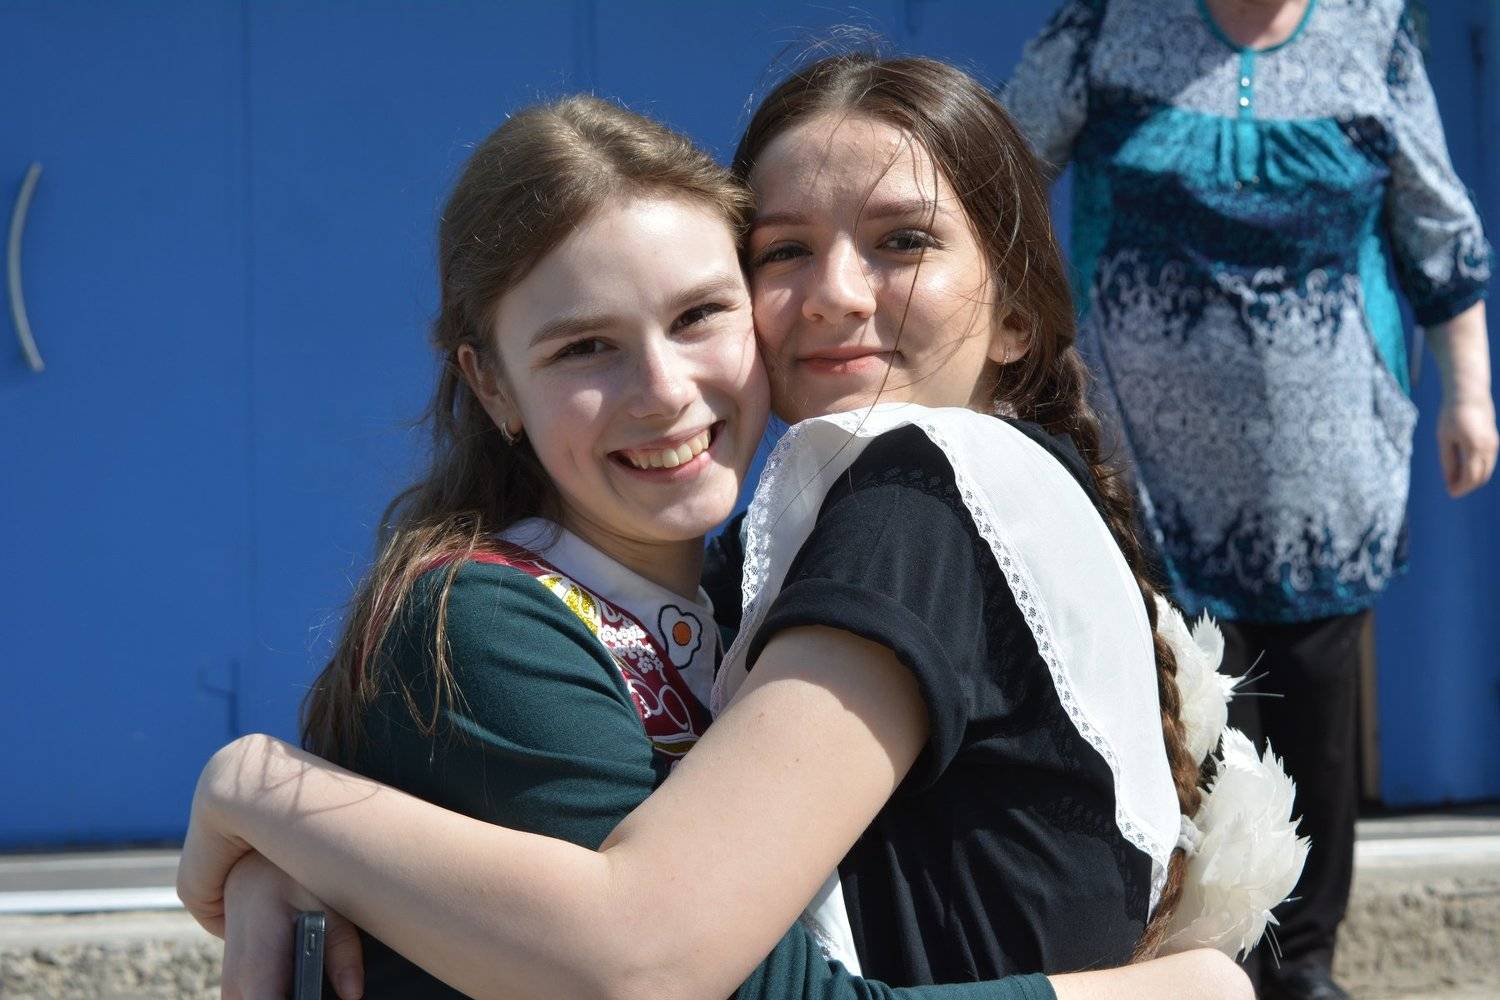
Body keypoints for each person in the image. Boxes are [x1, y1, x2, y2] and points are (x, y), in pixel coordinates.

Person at [179, 60, 1263, 1000]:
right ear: (492, 385)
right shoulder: (503, 615)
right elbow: (657, 964)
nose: (661, 389)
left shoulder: (895, 510)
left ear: (1018, 314)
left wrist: (278, 808)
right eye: (582, 348)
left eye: (698, 314)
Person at [1001, 2, 1496, 998]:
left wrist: (1471, 393)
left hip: (1324, 459)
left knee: (1313, 713)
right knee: (1184, 716)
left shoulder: (1373, 29)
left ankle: (1304, 962)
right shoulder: (1109, 22)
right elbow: (995, 175)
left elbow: (1436, 227)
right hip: (1145, 464)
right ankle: (1203, 964)